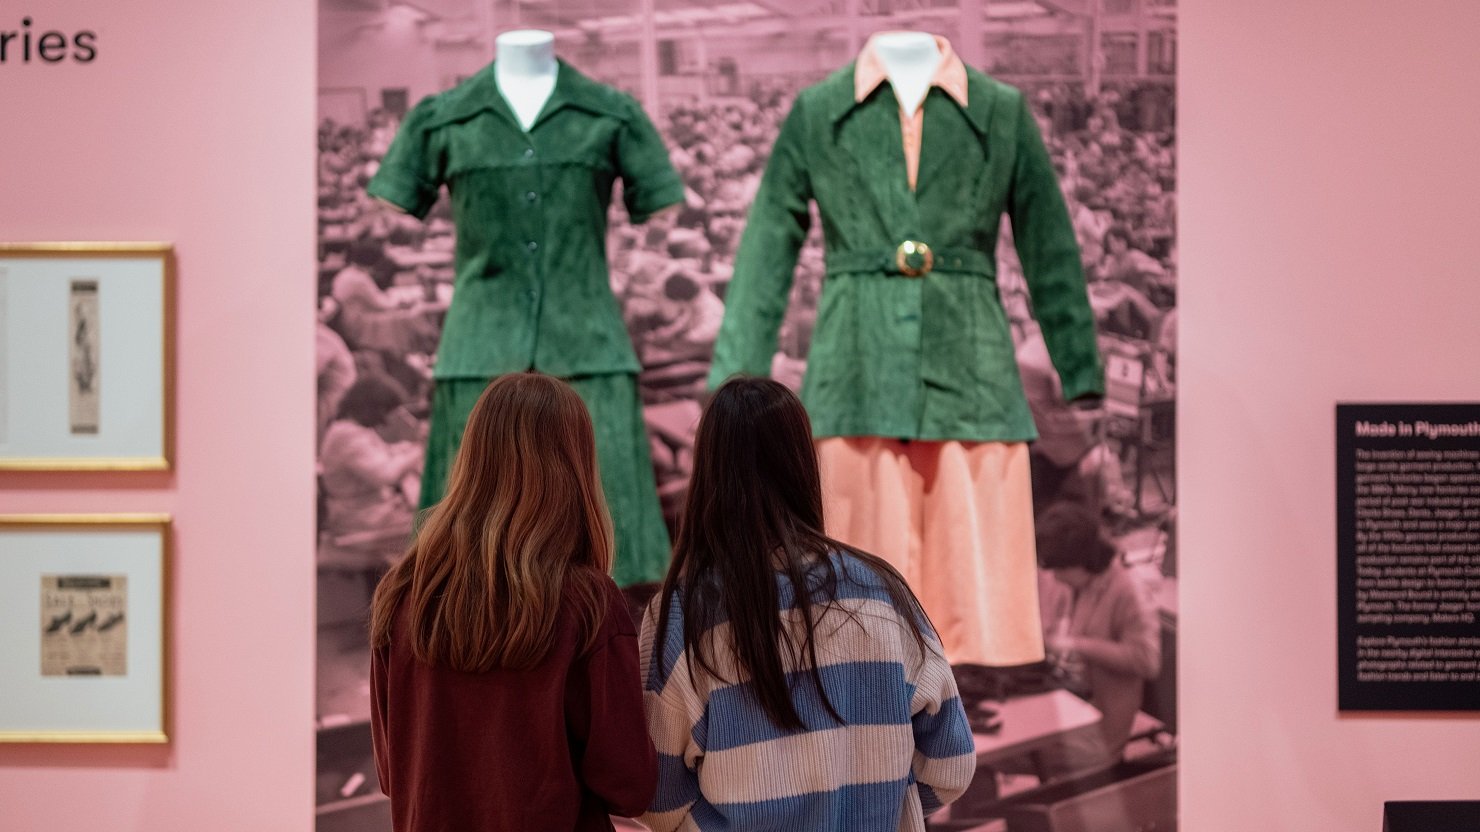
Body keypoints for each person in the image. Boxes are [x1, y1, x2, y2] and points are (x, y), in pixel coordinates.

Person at [640, 377, 976, 832]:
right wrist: (878, 802)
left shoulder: (680, 616)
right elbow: (951, 766)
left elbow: (659, 800)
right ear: (804, 462)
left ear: (707, 473)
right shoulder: (881, 591)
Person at [368, 373, 657, 832]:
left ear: (473, 459)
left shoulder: (403, 593)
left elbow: (393, 770)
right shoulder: (585, 602)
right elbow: (628, 785)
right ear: (576, 467)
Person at [1034, 502, 1161, 778]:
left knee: (967, 757)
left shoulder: (1128, 591)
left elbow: (1147, 660)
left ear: (1082, 562)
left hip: (1096, 735)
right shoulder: (1071, 584)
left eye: (1060, 569)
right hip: (1065, 712)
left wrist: (1077, 645)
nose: (1053, 576)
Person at [319, 377, 420, 540]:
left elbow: (383, 452)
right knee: (436, 526)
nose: (386, 419)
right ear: (372, 408)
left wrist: (406, 448)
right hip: (361, 517)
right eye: (386, 411)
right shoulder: (347, 436)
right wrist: (420, 450)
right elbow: (385, 475)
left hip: (368, 511)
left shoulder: (352, 429)